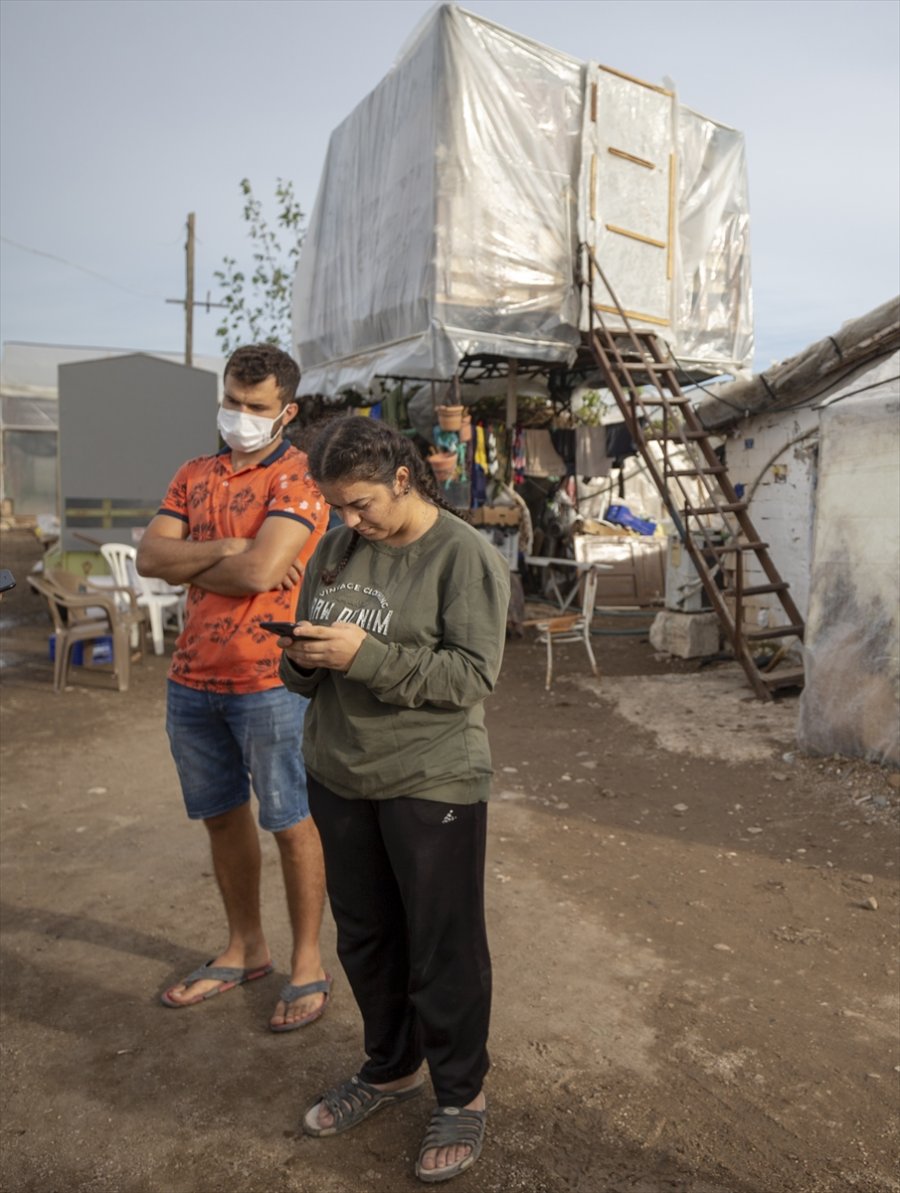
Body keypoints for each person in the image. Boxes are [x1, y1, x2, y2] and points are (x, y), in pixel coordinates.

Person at [276, 416, 510, 1185]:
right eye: (338, 505)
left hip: (430, 777)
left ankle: (461, 1093)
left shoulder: (463, 556)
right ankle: (389, 1068)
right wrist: (305, 657)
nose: (349, 521)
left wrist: (363, 655)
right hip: (340, 771)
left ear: (403, 478)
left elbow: (470, 676)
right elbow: (304, 667)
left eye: (362, 503)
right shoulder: (338, 550)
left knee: (441, 943)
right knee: (368, 936)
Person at [136, 343, 331, 1032]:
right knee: (221, 816)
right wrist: (224, 549)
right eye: (232, 402)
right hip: (191, 680)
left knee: (290, 820)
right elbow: (148, 556)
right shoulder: (195, 473)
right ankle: (245, 946)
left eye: (256, 407)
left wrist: (196, 562)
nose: (240, 416)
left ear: (287, 410)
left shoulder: (301, 479)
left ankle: (306, 961)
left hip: (270, 678)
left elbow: (260, 574)